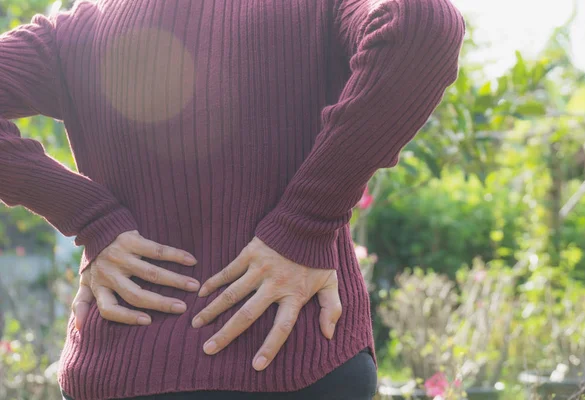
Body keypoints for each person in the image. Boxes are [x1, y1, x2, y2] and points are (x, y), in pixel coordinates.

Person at [0, 0, 465, 399]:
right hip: (298, 356)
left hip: (125, 360)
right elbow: (423, 23)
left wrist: (88, 217)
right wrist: (305, 223)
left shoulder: (76, 32)